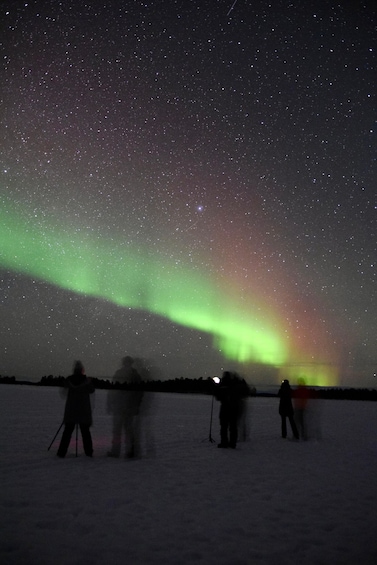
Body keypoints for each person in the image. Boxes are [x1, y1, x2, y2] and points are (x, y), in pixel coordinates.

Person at [107, 356, 144, 458]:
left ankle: (129, 451)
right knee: (119, 430)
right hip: (120, 407)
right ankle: (117, 452)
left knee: (126, 431)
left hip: (127, 408)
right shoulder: (120, 373)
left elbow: (139, 393)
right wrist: (110, 403)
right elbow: (112, 389)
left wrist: (136, 406)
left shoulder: (134, 375)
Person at [57, 361, 95, 458]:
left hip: (71, 410)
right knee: (85, 432)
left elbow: (63, 389)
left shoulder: (69, 379)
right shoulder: (86, 381)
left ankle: (61, 452)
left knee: (67, 431)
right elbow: (92, 390)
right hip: (83, 410)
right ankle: (89, 452)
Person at [215, 371, 249, 448]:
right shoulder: (235, 385)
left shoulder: (223, 385)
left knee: (224, 427)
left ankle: (225, 442)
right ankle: (232, 443)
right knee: (232, 427)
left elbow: (218, 396)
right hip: (234, 408)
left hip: (226, 408)